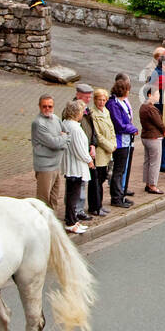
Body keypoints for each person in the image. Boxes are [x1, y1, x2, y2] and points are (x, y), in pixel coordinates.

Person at [64, 83, 103, 215]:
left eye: (89, 97)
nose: (88, 99)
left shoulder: (86, 110)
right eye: (86, 97)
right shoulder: (73, 110)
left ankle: (80, 209)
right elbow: (74, 138)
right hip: (79, 154)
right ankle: (76, 211)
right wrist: (88, 157)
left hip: (88, 148)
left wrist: (93, 144)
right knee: (77, 185)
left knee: (83, 183)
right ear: (78, 95)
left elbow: (91, 129)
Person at [31, 93, 69, 210]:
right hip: (45, 167)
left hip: (56, 165)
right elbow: (54, 143)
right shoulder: (38, 123)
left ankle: (53, 222)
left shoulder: (56, 118)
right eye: (44, 106)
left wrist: (61, 139)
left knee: (54, 198)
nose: (47, 109)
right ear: (39, 106)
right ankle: (41, 225)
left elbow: (68, 134)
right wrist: (62, 139)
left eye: (50, 106)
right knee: (43, 200)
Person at [106, 75, 139, 207]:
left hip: (126, 141)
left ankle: (122, 194)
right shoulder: (113, 104)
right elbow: (119, 125)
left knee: (122, 170)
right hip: (119, 142)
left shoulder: (122, 102)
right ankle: (116, 197)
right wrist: (132, 129)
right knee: (118, 171)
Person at [61, 100, 91, 234]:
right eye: (81, 111)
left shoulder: (65, 125)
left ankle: (72, 220)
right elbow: (80, 150)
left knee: (71, 195)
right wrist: (89, 160)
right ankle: (71, 222)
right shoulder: (75, 129)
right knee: (73, 196)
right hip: (76, 167)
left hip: (69, 165)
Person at [86, 89, 116, 214]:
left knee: (102, 178)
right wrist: (110, 146)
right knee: (96, 181)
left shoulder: (106, 112)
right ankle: (94, 206)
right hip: (100, 152)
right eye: (99, 100)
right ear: (95, 100)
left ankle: (100, 204)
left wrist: (114, 144)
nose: (101, 102)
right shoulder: (93, 114)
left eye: (104, 100)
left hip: (108, 151)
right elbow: (98, 135)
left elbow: (111, 129)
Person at [139, 84, 165, 195]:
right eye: (157, 94)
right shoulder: (151, 109)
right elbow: (159, 123)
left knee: (148, 160)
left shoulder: (143, 107)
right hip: (153, 137)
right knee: (155, 162)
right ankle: (152, 185)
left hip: (146, 136)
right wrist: (164, 130)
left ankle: (147, 183)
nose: (159, 96)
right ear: (149, 95)